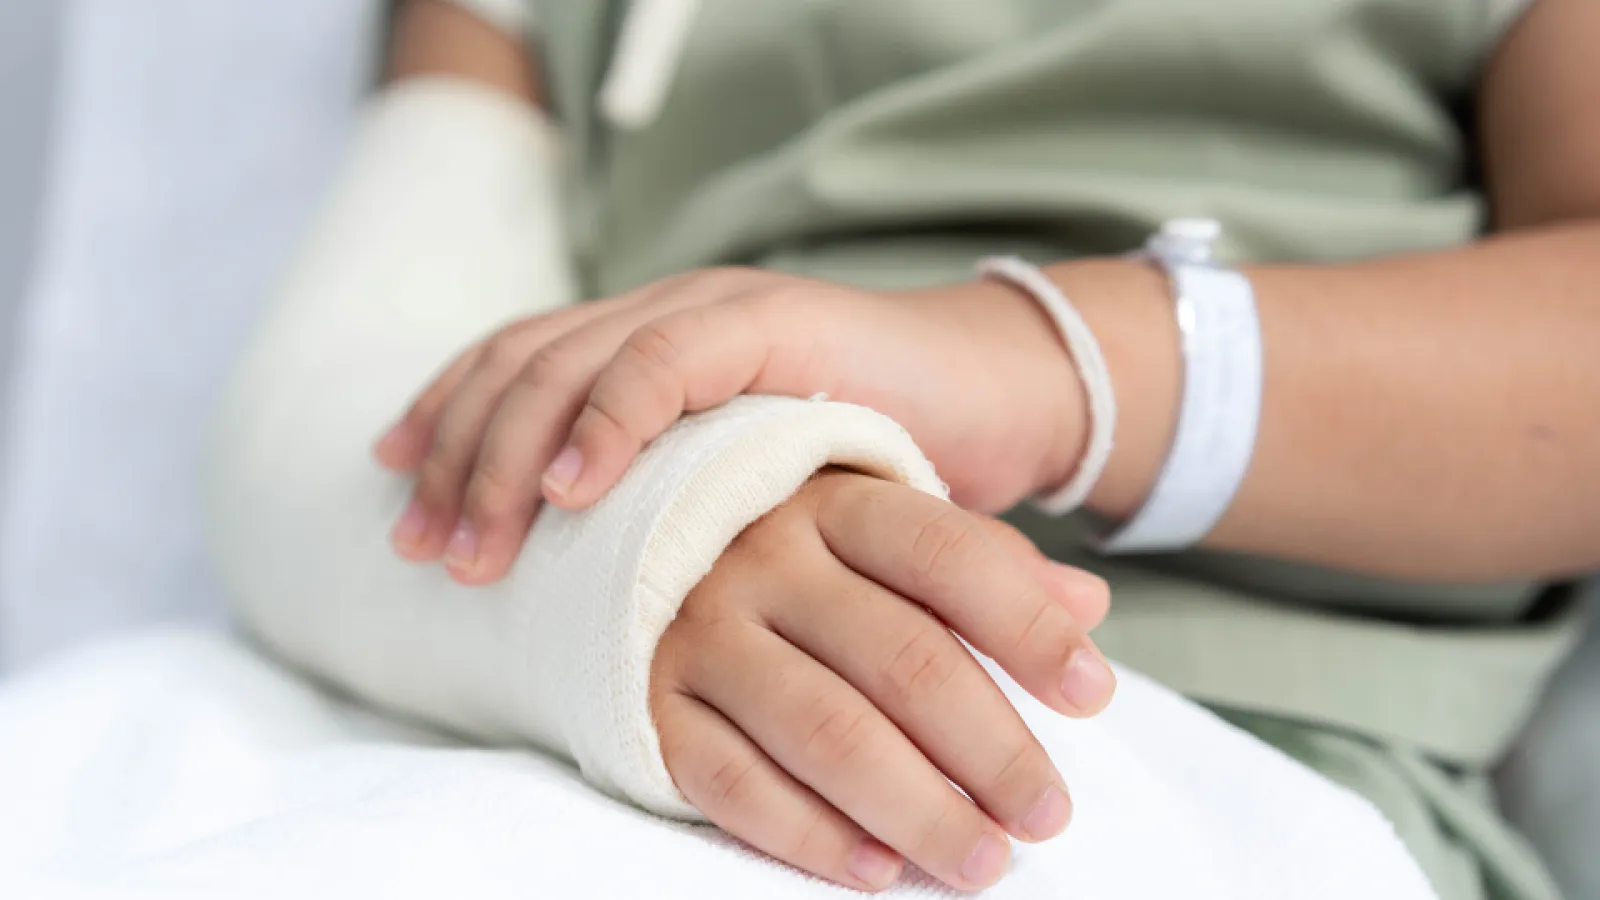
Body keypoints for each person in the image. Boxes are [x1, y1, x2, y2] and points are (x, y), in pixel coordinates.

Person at [208, 0, 1599, 897]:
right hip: (551, 721)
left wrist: (1043, 368)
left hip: (1212, 752)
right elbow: (341, 409)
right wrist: (661, 540)